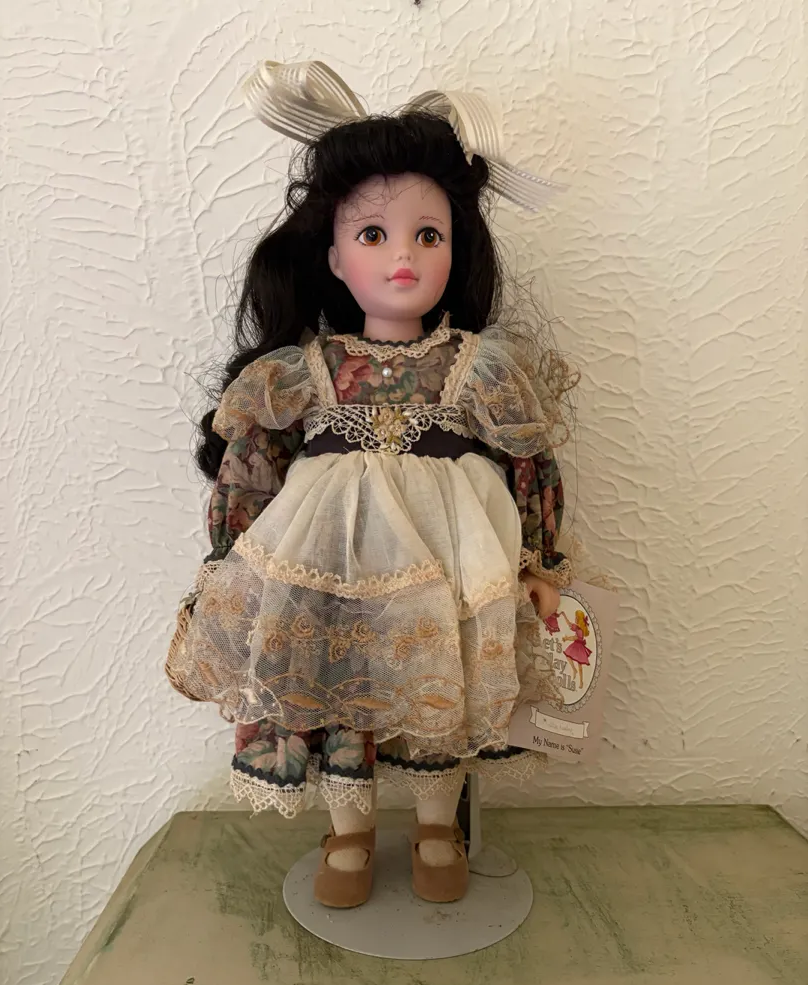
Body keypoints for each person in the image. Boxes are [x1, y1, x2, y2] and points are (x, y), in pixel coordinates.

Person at [166, 61, 579, 908]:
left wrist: (541, 562)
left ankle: (436, 828)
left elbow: (531, 464)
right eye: (373, 236)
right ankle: (348, 834)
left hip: (449, 560)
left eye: (428, 235)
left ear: (458, 249)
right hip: (331, 565)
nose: (402, 258)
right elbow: (252, 470)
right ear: (333, 257)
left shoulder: (479, 367)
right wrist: (226, 559)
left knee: (437, 682)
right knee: (340, 687)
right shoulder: (302, 371)